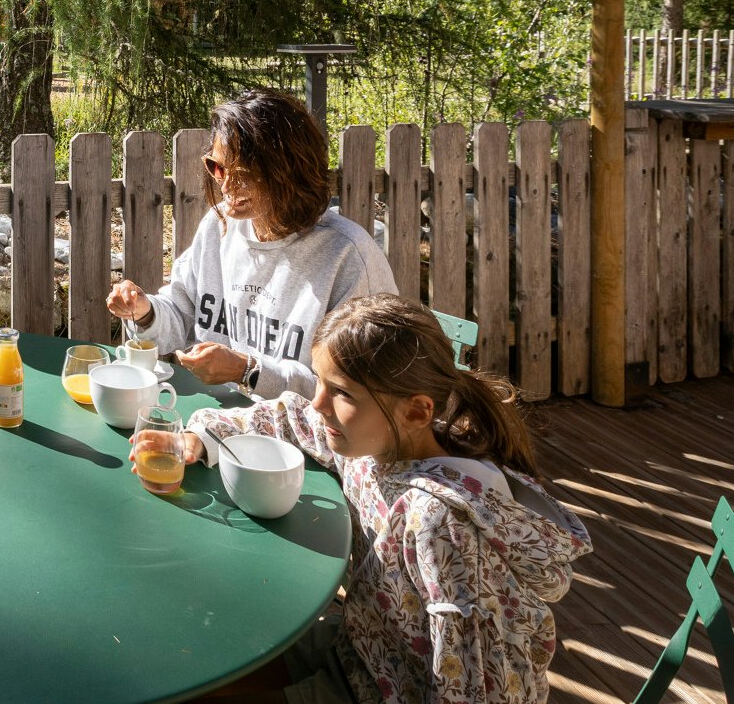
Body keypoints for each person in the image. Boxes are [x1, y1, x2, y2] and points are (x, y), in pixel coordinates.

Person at [135, 294, 591, 704]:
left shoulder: (441, 526)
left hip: (392, 687)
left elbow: (473, 685)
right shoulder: (378, 442)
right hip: (361, 641)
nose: (317, 404)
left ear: (417, 410)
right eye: (319, 382)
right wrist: (201, 434)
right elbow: (293, 418)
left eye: (341, 393)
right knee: (189, 657)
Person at [107, 88, 394, 398]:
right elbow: (181, 312)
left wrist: (248, 371)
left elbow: (356, 394)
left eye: (245, 173)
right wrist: (145, 310)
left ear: (289, 172)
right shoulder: (218, 229)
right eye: (217, 167)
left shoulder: (348, 256)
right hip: (221, 419)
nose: (227, 186)